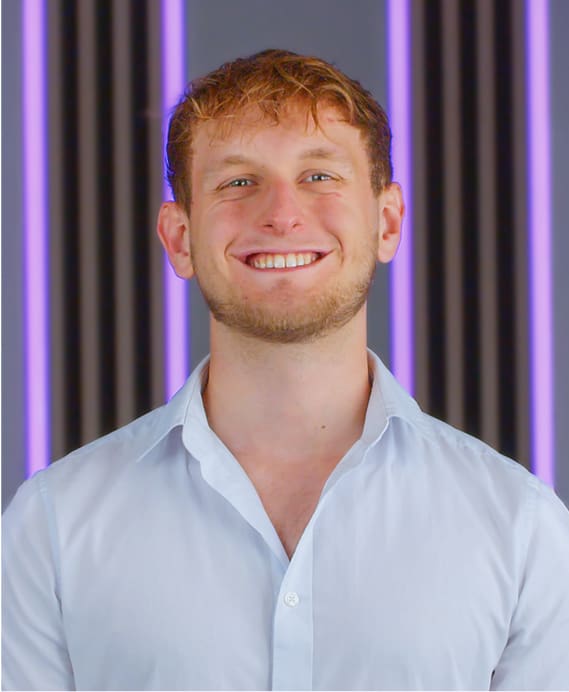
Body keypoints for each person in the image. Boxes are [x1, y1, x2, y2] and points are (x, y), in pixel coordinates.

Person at [3, 49, 569, 691]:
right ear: (180, 239)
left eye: (319, 176)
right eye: (238, 182)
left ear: (387, 223)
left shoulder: (522, 528)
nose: (282, 213)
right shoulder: (50, 528)